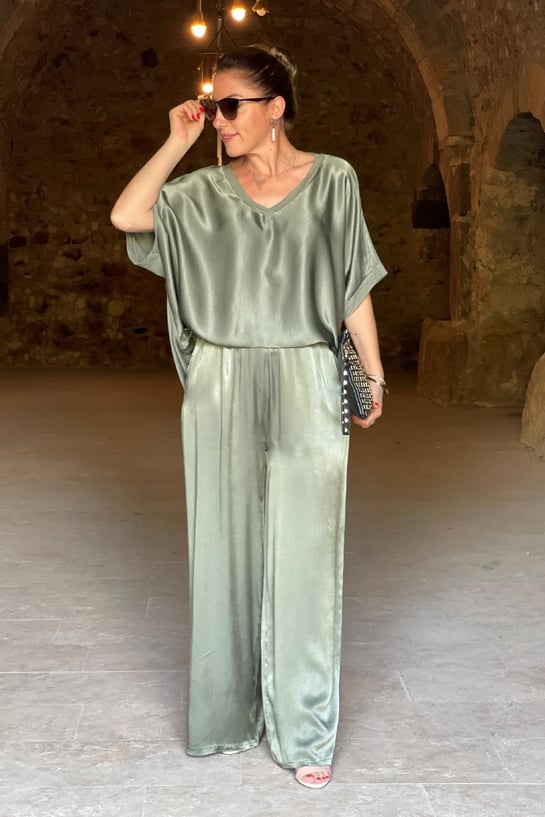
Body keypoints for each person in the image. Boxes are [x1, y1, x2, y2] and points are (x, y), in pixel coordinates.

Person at [111, 43, 388, 790]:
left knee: (308, 549)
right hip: (221, 378)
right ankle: (227, 714)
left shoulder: (333, 179)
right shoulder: (200, 193)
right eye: (212, 106)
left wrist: (372, 372)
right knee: (222, 546)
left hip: (306, 374)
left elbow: (352, 284)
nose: (219, 119)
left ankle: (305, 724)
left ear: (276, 108)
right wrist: (178, 138)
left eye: (230, 105)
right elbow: (127, 214)